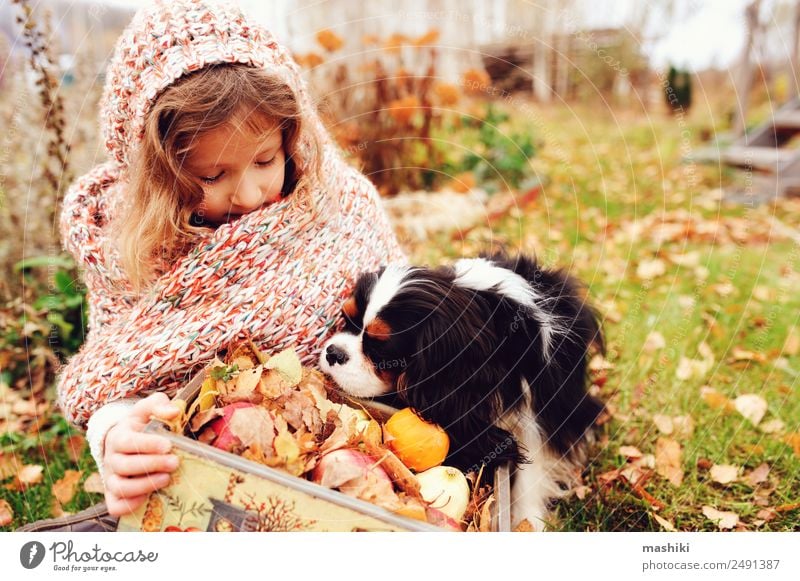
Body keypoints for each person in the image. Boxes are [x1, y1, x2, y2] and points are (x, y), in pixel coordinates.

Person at [56, 0, 406, 518]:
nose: (248, 194)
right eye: (211, 177)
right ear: (157, 176)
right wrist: (118, 436)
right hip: (215, 486)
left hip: (362, 468)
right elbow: (120, 378)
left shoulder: (339, 206)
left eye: (265, 160)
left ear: (291, 136)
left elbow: (402, 317)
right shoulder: (130, 248)